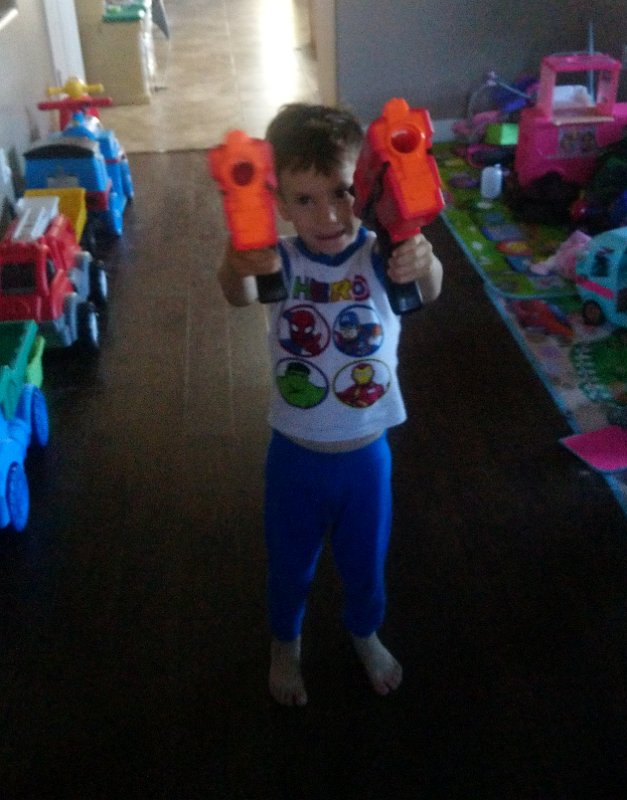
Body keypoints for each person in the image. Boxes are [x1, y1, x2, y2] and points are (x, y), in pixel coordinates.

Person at [218, 103, 443, 706]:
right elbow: (237, 294)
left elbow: (429, 288)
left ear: (365, 185)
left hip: (368, 454)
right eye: (306, 200)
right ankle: (284, 642)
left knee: (366, 562)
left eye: (342, 193)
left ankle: (364, 632)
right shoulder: (278, 261)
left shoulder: (381, 252)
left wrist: (424, 260)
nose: (329, 216)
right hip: (294, 454)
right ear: (279, 203)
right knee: (289, 563)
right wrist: (237, 260)